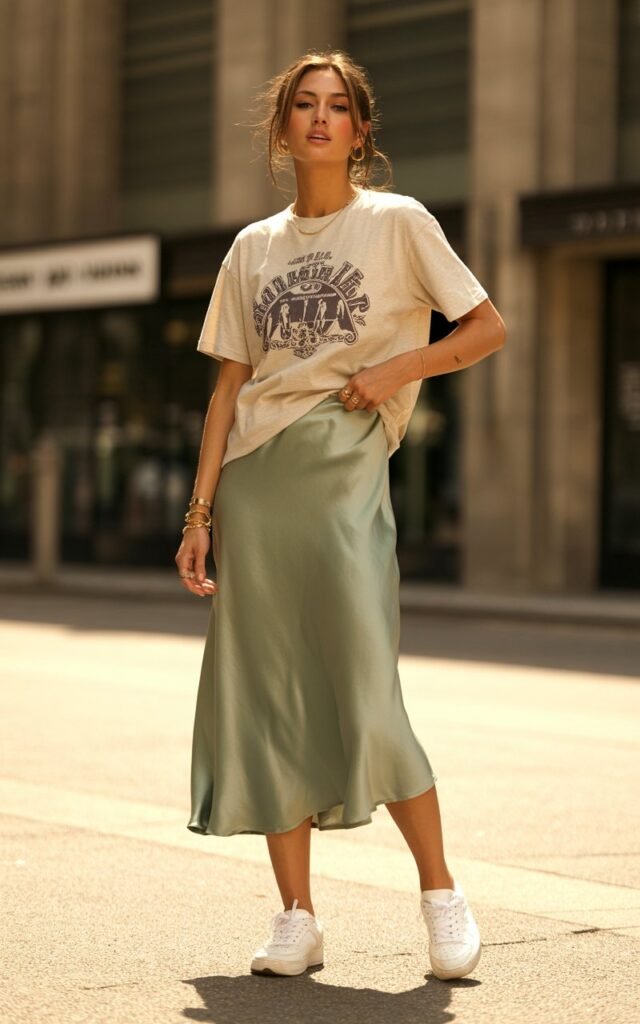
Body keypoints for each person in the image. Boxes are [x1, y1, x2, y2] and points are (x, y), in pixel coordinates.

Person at [175, 49, 506, 983]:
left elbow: (486, 326)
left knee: (364, 681)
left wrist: (398, 371)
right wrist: (201, 511)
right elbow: (228, 390)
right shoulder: (253, 248)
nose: (320, 119)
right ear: (282, 130)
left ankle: (440, 892)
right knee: (269, 692)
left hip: (348, 471)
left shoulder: (398, 223)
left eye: (338, 107)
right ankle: (296, 916)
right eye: (303, 106)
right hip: (258, 482)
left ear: (361, 131)